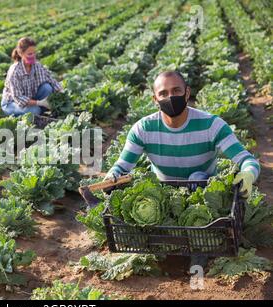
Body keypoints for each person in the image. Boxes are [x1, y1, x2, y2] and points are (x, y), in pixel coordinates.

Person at [105, 70, 260, 268]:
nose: (170, 97)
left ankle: (201, 247)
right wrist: (112, 175)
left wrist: (248, 174)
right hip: (164, 196)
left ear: (187, 93)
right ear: (155, 99)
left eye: (176, 90)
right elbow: (123, 166)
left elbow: (247, 160)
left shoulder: (211, 125)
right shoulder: (143, 129)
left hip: (204, 197)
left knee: (196, 178)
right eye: (163, 93)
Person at [1, 37, 63, 116]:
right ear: (21, 54)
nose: (33, 56)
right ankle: (38, 110)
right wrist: (39, 103)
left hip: (30, 99)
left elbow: (50, 79)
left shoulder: (36, 65)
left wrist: (61, 91)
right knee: (34, 111)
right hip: (12, 103)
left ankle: (40, 110)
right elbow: (18, 98)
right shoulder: (15, 71)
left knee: (47, 87)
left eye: (34, 53)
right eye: (30, 54)